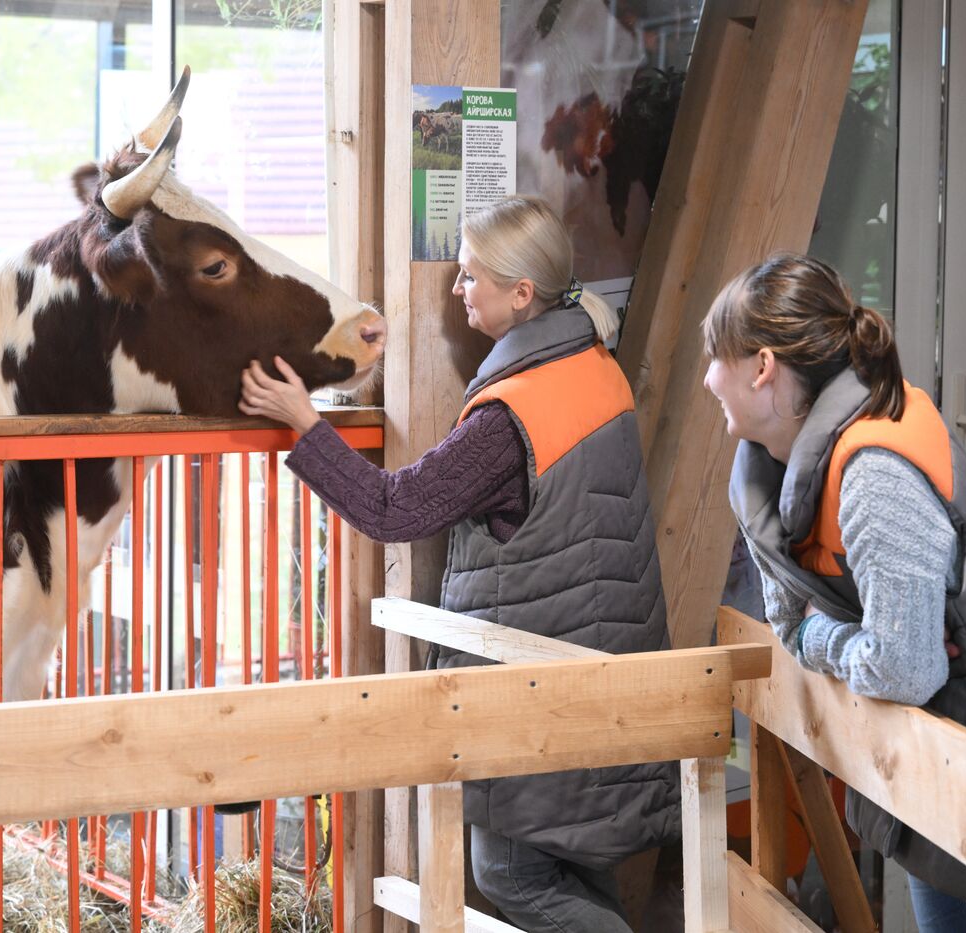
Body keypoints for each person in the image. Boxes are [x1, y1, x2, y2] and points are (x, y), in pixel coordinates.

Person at [239, 195, 677, 932]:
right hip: (607, 675)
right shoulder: (596, 367)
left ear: (521, 294)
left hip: (542, 689)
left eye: (470, 276)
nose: (456, 289)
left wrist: (304, 424)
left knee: (509, 872)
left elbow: (393, 509)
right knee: (571, 873)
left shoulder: (511, 417)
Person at [702, 252, 966, 933]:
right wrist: (849, 638)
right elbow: (796, 618)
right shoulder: (777, 469)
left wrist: (822, 636)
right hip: (944, 776)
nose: (706, 378)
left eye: (716, 357)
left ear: (762, 368)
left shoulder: (875, 473)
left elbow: (903, 665)